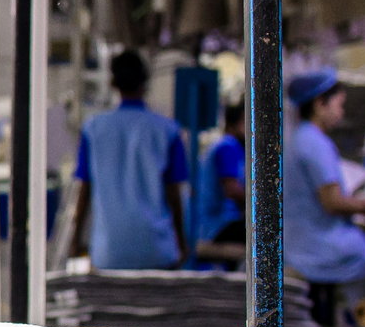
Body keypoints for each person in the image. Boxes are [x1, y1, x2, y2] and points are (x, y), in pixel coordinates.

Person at [67, 51, 189, 269]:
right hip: (157, 250)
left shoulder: (93, 130)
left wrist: (75, 240)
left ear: (113, 83)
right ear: (145, 82)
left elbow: (84, 190)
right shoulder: (167, 130)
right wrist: (181, 242)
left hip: (108, 252)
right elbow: (173, 192)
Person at [282, 69, 365, 288]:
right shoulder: (315, 143)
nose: (341, 112)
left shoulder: (297, 139)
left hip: (297, 242)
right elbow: (332, 202)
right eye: (338, 105)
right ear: (320, 104)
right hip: (317, 250)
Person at [196, 102, 248, 247]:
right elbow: (231, 190)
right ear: (234, 124)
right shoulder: (227, 146)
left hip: (213, 224)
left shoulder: (224, 146)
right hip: (217, 225)